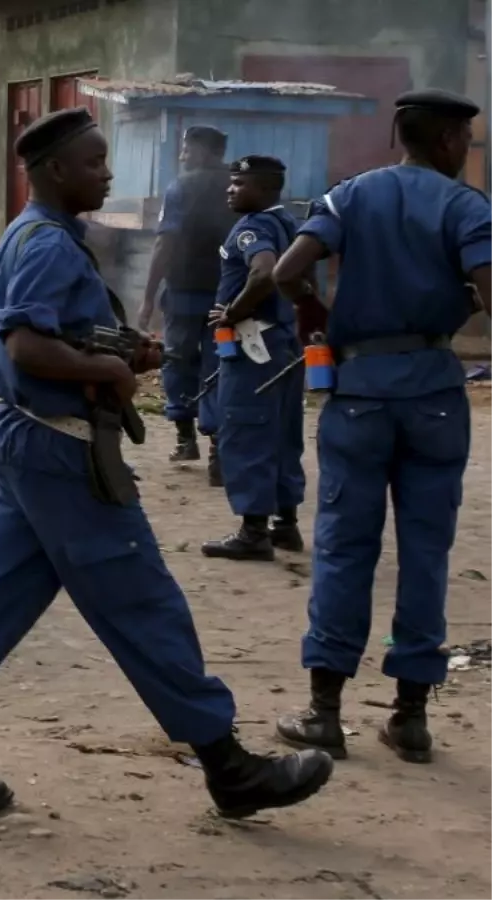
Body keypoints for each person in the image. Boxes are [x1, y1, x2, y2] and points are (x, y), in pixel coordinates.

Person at [0, 107, 334, 826]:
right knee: (145, 604)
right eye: (96, 163)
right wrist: (103, 365)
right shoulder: (47, 246)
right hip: (64, 453)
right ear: (53, 172)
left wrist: (121, 350)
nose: (109, 174)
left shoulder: (36, 235)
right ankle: (229, 767)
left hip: (27, 446)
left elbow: (53, 336)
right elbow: (27, 347)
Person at [271, 89, 492, 764]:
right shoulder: (466, 206)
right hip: (434, 393)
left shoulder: (351, 196)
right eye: (464, 138)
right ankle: (410, 717)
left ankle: (325, 711)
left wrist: (318, 312)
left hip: (360, 393)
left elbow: (286, 271)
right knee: (425, 554)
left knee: (344, 548)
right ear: (449, 140)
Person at [201, 156, 306, 562]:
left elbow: (264, 273)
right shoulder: (289, 224)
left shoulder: (253, 227)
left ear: (264, 189)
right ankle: (286, 526)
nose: (230, 189)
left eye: (239, 183)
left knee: (246, 430)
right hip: (283, 344)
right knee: (282, 433)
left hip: (252, 346)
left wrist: (233, 312)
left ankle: (253, 533)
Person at [139, 126, 238, 482]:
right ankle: (217, 447)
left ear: (204, 150)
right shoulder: (241, 183)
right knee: (219, 366)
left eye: (186, 148)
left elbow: (165, 244)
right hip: (229, 298)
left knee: (177, 360)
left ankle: (185, 438)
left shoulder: (181, 187)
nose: (181, 155)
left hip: (183, 292)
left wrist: (148, 297)